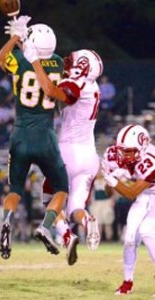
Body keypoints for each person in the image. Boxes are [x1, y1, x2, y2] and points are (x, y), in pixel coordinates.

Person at [22, 32, 103, 261]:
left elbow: (53, 91)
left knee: (49, 200)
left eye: (75, 60)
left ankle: (65, 234)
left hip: (68, 152)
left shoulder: (77, 83)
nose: (69, 62)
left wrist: (34, 60)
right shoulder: (94, 87)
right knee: (75, 207)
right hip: (89, 156)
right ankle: (86, 221)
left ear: (83, 67)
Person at [0, 16, 69, 259]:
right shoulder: (58, 63)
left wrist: (16, 37)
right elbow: (37, 60)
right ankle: (46, 226)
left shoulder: (19, 61)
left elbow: (0, 59)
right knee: (61, 188)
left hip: (20, 135)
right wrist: (23, 41)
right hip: (45, 136)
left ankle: (7, 221)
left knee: (15, 189)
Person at [102, 123, 155, 296]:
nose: (124, 155)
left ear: (142, 147)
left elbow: (131, 193)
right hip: (143, 196)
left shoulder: (150, 160)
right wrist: (109, 177)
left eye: (130, 151)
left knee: (147, 230)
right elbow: (108, 192)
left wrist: (114, 181)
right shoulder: (114, 156)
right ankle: (127, 282)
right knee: (130, 238)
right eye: (122, 150)